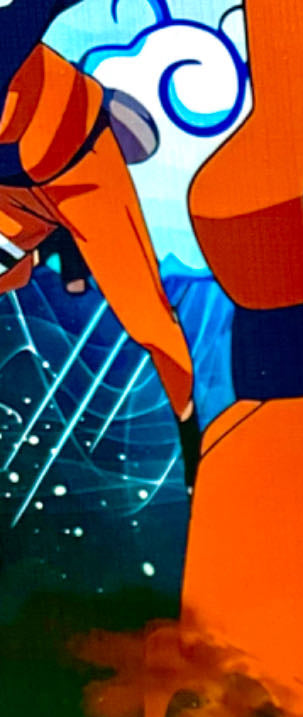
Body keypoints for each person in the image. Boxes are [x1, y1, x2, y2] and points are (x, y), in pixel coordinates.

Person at [0, 18, 200, 487]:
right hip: (14, 192)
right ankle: (51, 251)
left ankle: (194, 436)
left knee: (146, 316)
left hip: (79, 167)